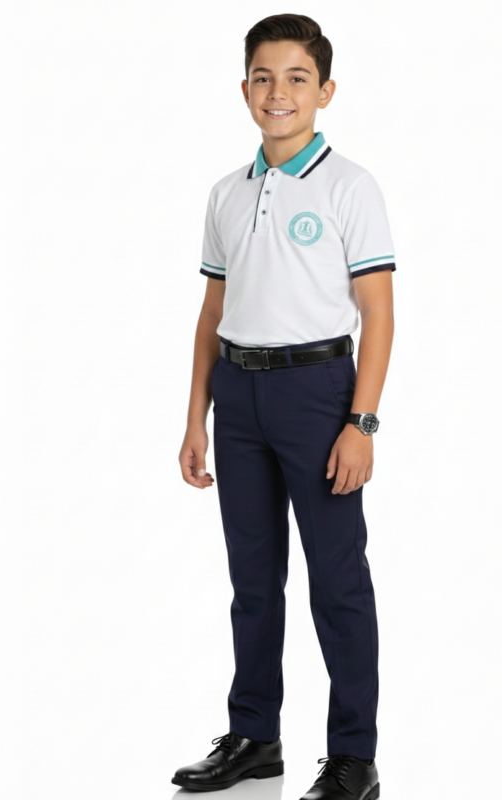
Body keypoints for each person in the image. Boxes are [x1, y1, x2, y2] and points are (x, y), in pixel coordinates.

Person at [172, 13, 396, 800]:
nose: (279, 92)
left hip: (318, 393)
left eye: (297, 78)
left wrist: (361, 423)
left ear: (324, 91)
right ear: (244, 89)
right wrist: (195, 418)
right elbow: (212, 312)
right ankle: (254, 737)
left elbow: (378, 312)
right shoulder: (226, 194)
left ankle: (353, 757)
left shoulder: (349, 187)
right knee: (253, 580)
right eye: (264, 77)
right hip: (238, 397)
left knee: (337, 580)